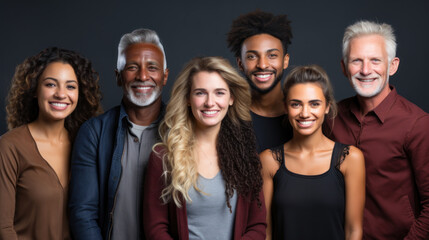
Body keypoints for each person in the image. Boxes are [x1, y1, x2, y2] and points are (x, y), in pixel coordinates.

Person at [324, 20, 429, 239]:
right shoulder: (331, 118)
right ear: (344, 67)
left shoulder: (417, 124)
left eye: (375, 60)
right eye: (356, 61)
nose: (365, 70)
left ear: (392, 65)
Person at [143, 57, 266, 239]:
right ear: (187, 99)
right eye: (200, 93)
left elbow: (257, 226)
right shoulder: (163, 158)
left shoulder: (246, 158)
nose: (210, 102)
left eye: (219, 93)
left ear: (231, 98)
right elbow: (155, 228)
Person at [68, 28, 169, 240]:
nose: (143, 76)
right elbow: (83, 212)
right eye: (132, 67)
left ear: (165, 76)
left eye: (152, 68)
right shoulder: (94, 132)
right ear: (118, 76)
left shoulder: (183, 129)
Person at [0, 47, 101, 240]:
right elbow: (3, 227)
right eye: (51, 85)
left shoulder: (85, 144)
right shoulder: (9, 146)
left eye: (70, 86)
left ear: (80, 94)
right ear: (34, 90)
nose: (61, 94)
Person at [260, 65, 365, 240]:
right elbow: (265, 232)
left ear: (327, 107)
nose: (305, 113)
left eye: (314, 104)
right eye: (296, 104)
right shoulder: (269, 161)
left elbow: (354, 230)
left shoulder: (350, 158)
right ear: (286, 107)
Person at [227, 10, 293, 153]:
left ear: (285, 60)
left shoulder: (304, 114)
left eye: (272, 55)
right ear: (240, 64)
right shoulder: (228, 116)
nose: (262, 65)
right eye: (252, 57)